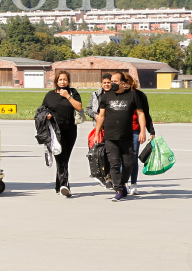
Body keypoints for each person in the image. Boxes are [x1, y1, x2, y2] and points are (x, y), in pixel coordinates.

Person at [93, 72, 148, 201]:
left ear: (123, 83)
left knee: (129, 163)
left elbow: (140, 114)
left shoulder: (132, 96)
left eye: (115, 81)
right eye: (111, 81)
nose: (112, 84)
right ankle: (118, 189)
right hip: (110, 137)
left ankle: (122, 184)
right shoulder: (105, 97)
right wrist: (97, 133)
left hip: (127, 136)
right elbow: (101, 116)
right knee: (114, 164)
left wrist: (143, 131)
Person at [40, 71, 83, 197]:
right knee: (61, 158)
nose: (63, 82)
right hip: (55, 131)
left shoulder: (73, 93)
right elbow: (41, 110)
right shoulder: (50, 95)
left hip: (70, 130)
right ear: (56, 82)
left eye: (65, 79)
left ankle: (59, 186)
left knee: (65, 158)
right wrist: (46, 116)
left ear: (68, 81)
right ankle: (65, 185)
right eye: (60, 80)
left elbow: (79, 107)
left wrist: (68, 96)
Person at [127, 77, 157, 196]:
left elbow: (145, 114)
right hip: (120, 131)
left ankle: (133, 184)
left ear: (131, 83)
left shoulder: (140, 96)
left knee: (133, 159)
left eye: (126, 83)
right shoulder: (119, 95)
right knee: (121, 159)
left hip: (135, 130)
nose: (124, 85)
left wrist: (150, 131)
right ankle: (122, 184)